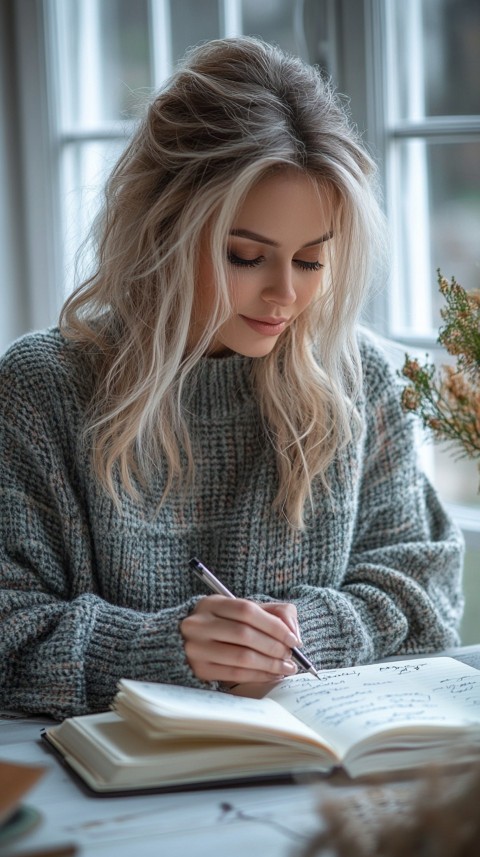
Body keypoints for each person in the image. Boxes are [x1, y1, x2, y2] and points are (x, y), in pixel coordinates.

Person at [0, 37, 464, 720]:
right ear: (162, 228)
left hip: (318, 783)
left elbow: (424, 590)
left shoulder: (356, 380)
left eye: (311, 262)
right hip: (114, 795)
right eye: (246, 255)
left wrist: (309, 632)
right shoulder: (39, 389)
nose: (284, 293)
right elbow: (11, 629)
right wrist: (167, 648)